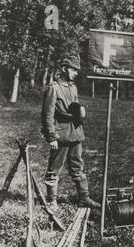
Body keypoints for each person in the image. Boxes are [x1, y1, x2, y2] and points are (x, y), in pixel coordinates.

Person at [41, 54, 100, 211]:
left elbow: (74, 106)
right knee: (54, 168)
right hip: (61, 134)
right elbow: (47, 115)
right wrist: (51, 137)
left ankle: (84, 198)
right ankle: (52, 200)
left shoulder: (73, 87)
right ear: (64, 69)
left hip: (75, 131)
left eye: (77, 70)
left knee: (77, 165)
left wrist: (80, 111)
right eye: (73, 70)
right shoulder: (53, 88)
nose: (76, 73)